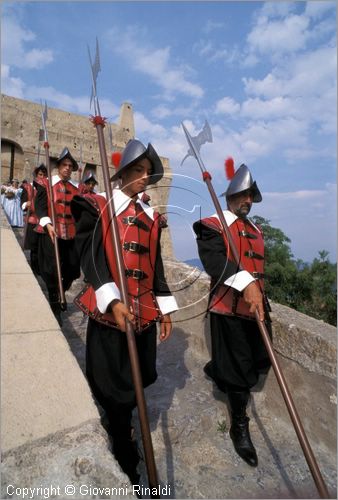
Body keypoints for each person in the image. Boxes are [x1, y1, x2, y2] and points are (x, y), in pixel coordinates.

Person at [71, 139, 178, 483]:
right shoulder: (98, 207)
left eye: (148, 172)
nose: (144, 178)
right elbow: (90, 257)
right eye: (138, 171)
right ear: (122, 175)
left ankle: (124, 418)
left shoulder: (149, 216)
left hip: (143, 310)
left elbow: (155, 265)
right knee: (110, 378)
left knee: (135, 377)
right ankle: (121, 435)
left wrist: (165, 307)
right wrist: (113, 300)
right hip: (109, 312)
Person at [193, 161, 271, 468]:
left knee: (259, 361)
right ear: (230, 196)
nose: (248, 201)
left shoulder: (256, 229)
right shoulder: (212, 225)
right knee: (240, 375)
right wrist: (245, 282)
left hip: (256, 310)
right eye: (243, 195)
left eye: (251, 195)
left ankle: (219, 371)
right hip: (228, 309)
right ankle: (239, 426)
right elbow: (215, 263)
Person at [34, 148, 81, 325]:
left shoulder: (77, 189)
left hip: (71, 235)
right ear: (58, 167)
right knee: (51, 271)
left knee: (73, 270)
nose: (67, 168)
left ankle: (62, 291)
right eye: (64, 165)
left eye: (70, 165)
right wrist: (47, 223)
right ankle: (55, 305)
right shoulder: (45, 184)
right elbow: (39, 207)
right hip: (51, 233)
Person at [21, 164, 48, 274]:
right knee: (34, 249)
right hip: (32, 221)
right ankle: (35, 270)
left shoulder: (48, 189)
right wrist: (27, 204)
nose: (42, 177)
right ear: (36, 175)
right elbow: (22, 204)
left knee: (44, 249)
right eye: (40, 174)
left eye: (44, 175)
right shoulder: (28, 187)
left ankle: (41, 269)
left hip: (44, 222)